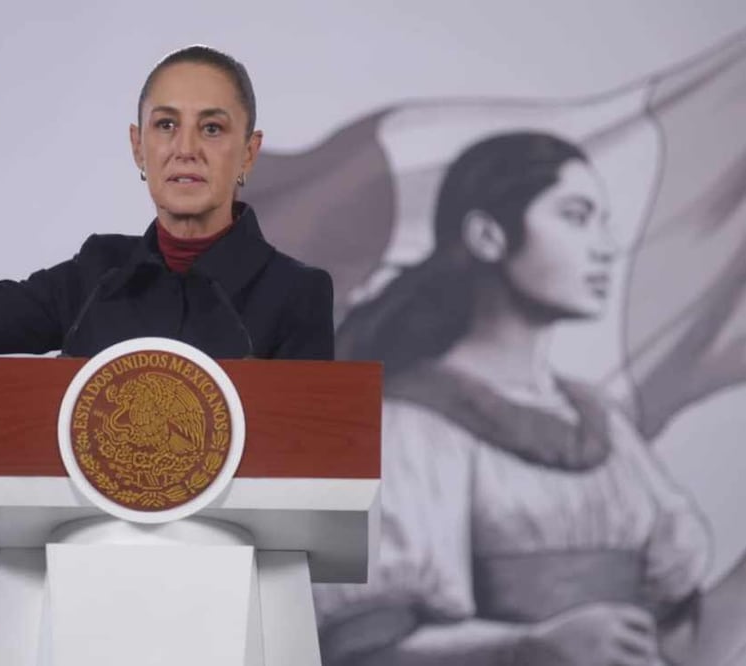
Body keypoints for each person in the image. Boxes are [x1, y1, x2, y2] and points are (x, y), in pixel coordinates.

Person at [314, 132, 746, 665]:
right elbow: (362, 651)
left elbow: (681, 648)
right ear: (488, 236)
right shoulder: (408, 426)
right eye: (576, 216)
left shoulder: (603, 424)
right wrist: (530, 646)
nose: (605, 246)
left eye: (603, 221)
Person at [0, 38, 334, 360]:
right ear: (137, 147)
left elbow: (308, 446)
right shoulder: (96, 274)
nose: (186, 148)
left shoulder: (295, 294)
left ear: (248, 153)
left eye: (211, 128)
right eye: (166, 125)